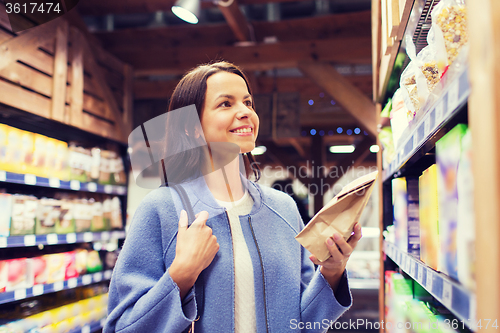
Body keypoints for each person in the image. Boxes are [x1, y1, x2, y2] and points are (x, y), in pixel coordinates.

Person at [104, 61, 362, 333]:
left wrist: (332, 273)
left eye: (248, 103)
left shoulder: (283, 209)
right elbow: (121, 326)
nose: (245, 112)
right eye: (226, 104)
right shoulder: (162, 209)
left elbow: (304, 324)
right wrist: (181, 275)